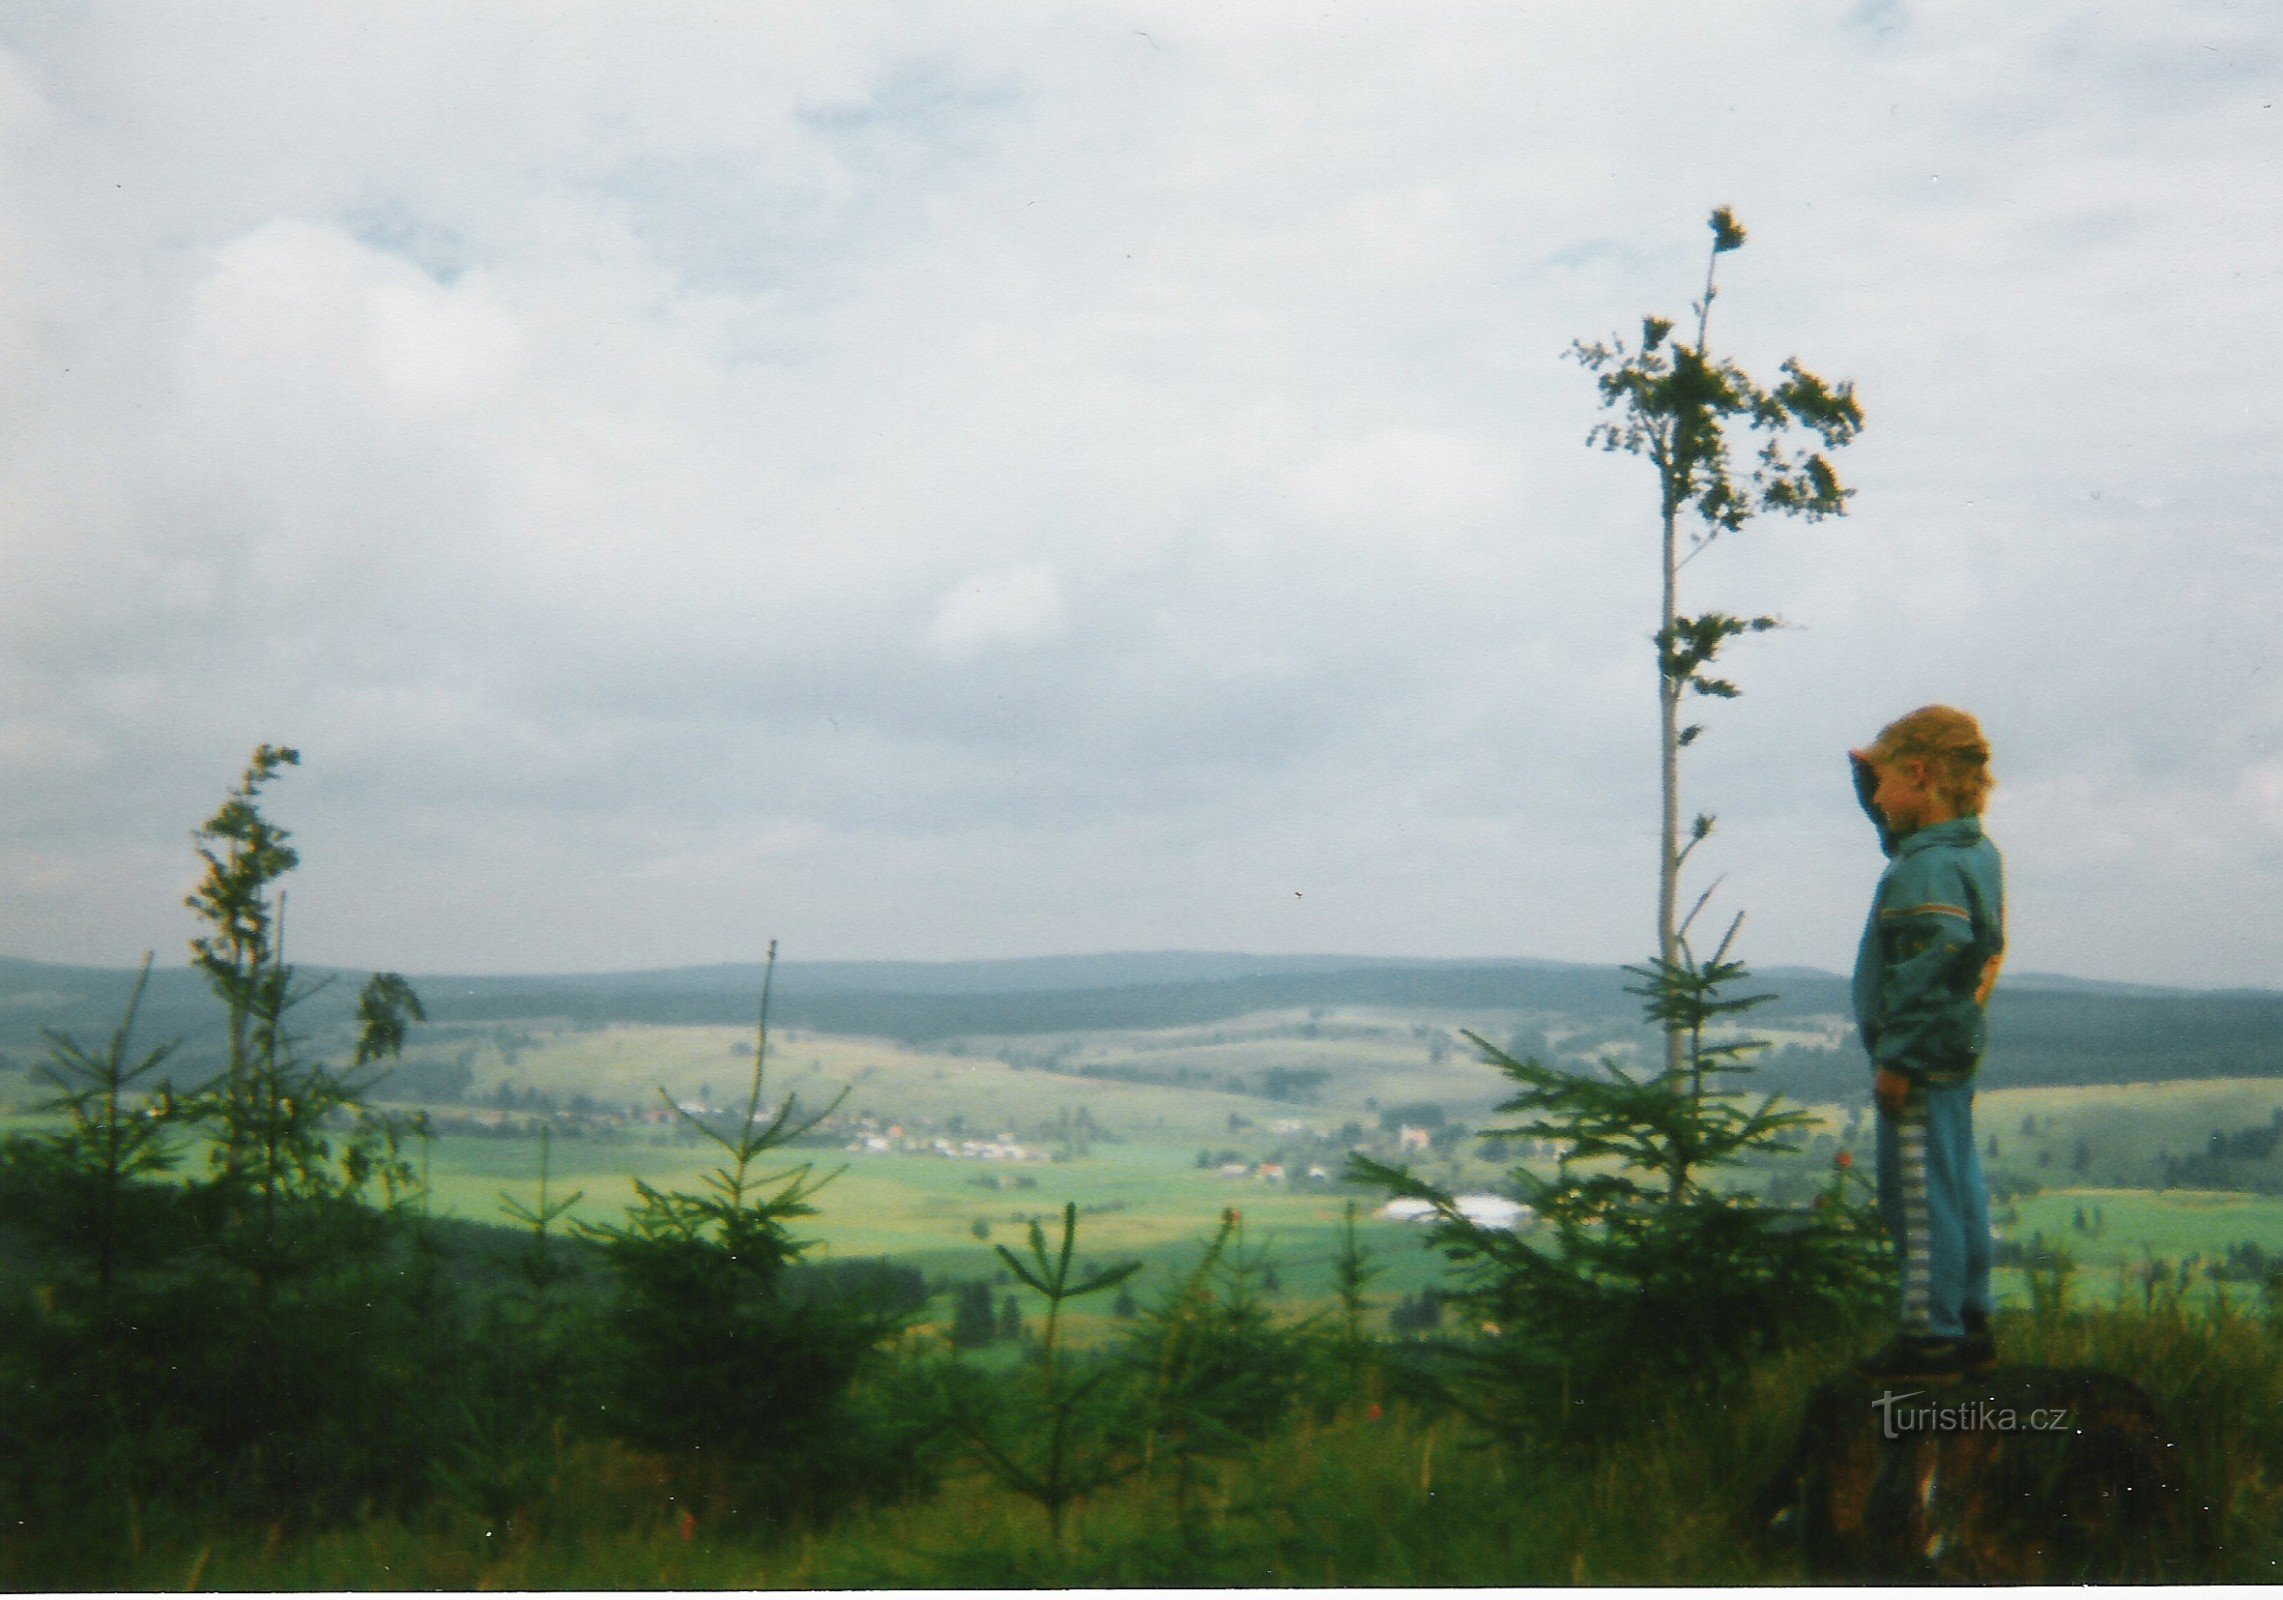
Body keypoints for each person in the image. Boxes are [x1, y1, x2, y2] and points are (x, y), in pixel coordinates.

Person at [1847, 706, 2006, 1380]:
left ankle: (1928, 1336)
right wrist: (1878, 787)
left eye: (1880, 784)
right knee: (1954, 1182)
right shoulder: (1971, 853)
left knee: (1916, 1194)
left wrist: (1896, 1058)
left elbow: (1925, 964)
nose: (1874, 800)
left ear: (1918, 773)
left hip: (1918, 1060)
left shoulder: (1926, 872)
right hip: (1954, 1051)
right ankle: (1969, 1319)